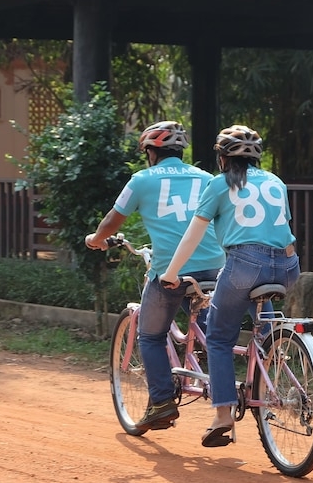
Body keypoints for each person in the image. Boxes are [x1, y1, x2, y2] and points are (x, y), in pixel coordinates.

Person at [160, 125, 300, 448]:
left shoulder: (219, 184)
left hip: (244, 265)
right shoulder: (276, 182)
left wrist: (171, 272)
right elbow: (279, 232)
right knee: (258, 311)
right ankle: (270, 351)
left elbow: (194, 234)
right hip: (289, 266)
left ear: (222, 159)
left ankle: (223, 415)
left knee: (219, 337)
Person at [85, 121, 225, 431]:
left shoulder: (142, 179)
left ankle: (161, 403)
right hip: (215, 266)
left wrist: (96, 239)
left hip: (171, 270)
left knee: (150, 335)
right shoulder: (206, 178)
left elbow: (112, 220)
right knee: (211, 330)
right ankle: (214, 375)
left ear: (151, 152)